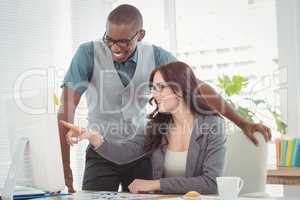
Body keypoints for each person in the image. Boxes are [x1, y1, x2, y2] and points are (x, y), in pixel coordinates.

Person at [58, 4, 271, 193]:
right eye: (109, 40)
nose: (114, 48)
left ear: (140, 35)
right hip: (103, 153)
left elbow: (194, 85)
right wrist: (65, 167)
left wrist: (243, 123)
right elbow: (66, 108)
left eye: (122, 42)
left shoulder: (157, 56)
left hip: (143, 152)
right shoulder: (87, 53)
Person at [60, 61, 226, 194]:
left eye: (161, 87)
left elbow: (211, 183)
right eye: (153, 88)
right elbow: (123, 154)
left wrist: (155, 184)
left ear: (181, 89)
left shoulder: (212, 126)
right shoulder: (155, 127)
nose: (155, 94)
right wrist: (94, 137)